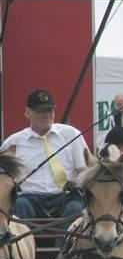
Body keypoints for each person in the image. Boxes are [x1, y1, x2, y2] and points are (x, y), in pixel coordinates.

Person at [1, 89, 87, 223]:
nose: (46, 115)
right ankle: (26, 244)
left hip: (66, 196)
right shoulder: (13, 143)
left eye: (50, 110)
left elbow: (84, 170)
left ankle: (63, 245)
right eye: (41, 111)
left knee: (75, 207)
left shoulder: (71, 134)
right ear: (27, 112)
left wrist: (78, 184)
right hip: (29, 198)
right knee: (20, 205)